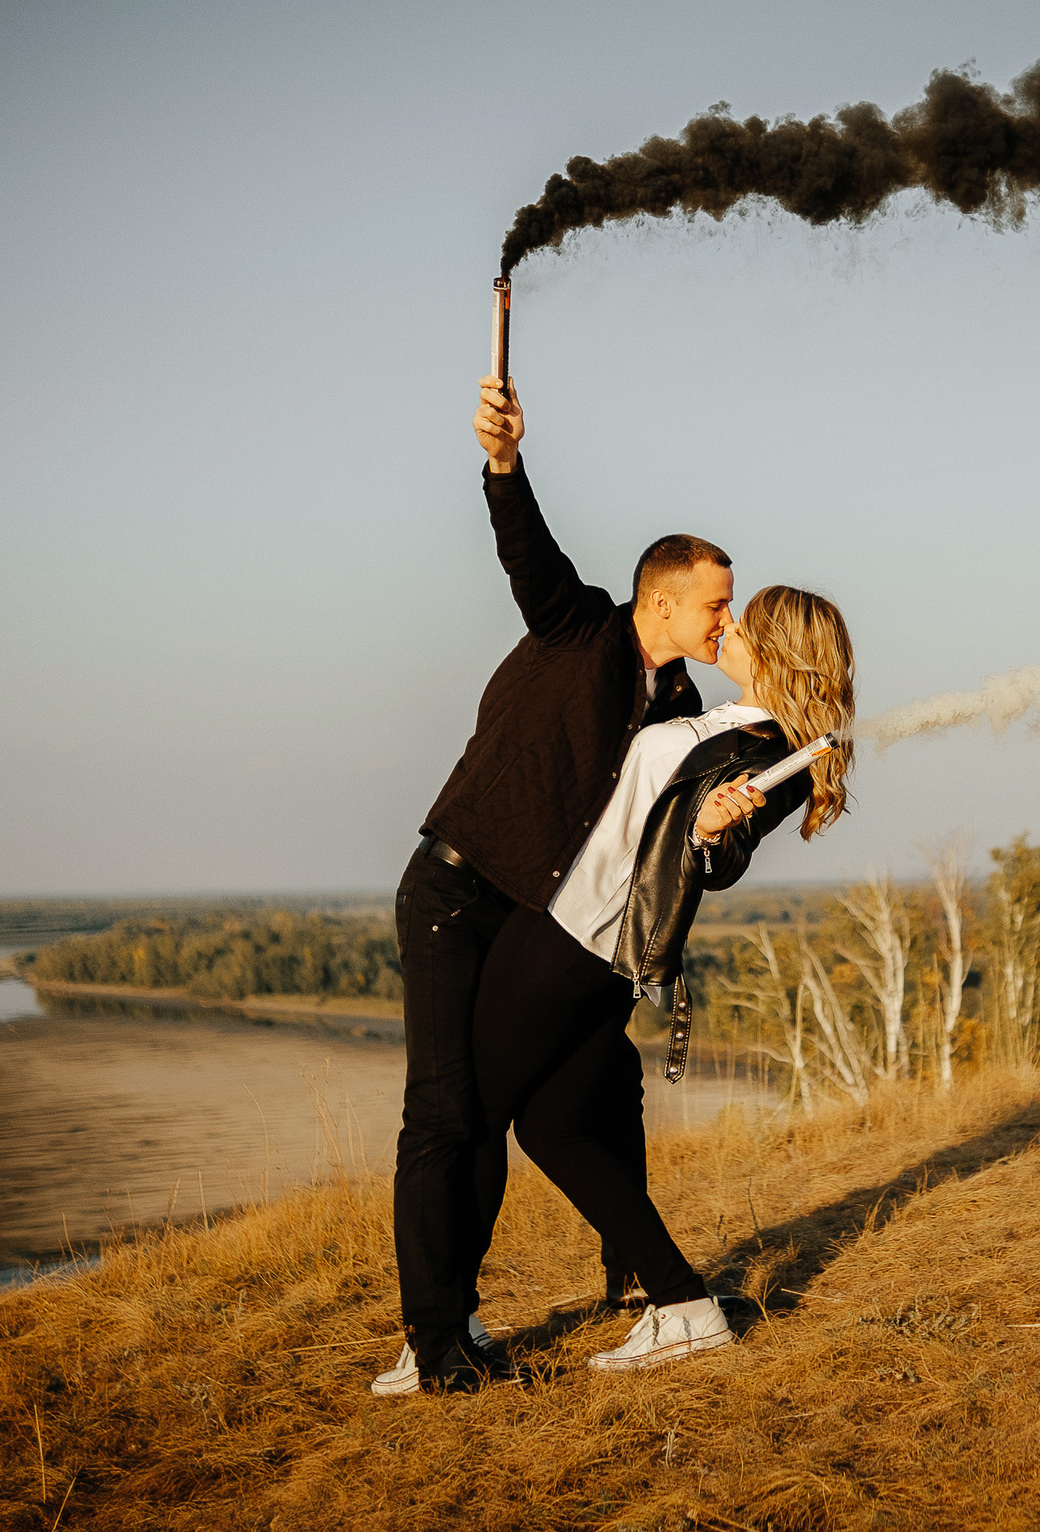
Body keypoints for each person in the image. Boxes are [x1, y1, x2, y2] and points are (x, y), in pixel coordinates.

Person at [376, 371, 736, 1397]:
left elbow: (695, 847)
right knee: (446, 1114)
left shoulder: (683, 706)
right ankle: (436, 1339)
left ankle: (638, 1290)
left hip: (542, 928)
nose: (725, 618)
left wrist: (716, 835)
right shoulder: (579, 625)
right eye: (715, 602)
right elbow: (526, 549)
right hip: (453, 893)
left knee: (537, 1103)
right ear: (660, 597)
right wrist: (503, 462)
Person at [475, 582, 854, 1373]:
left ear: (776, 650)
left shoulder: (769, 751)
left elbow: (719, 861)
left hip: (580, 935)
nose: (728, 627)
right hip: (583, 931)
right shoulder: (727, 720)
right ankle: (682, 1304)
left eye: (741, 622)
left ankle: (441, 1330)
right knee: (552, 1128)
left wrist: (716, 829)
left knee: (468, 1110)